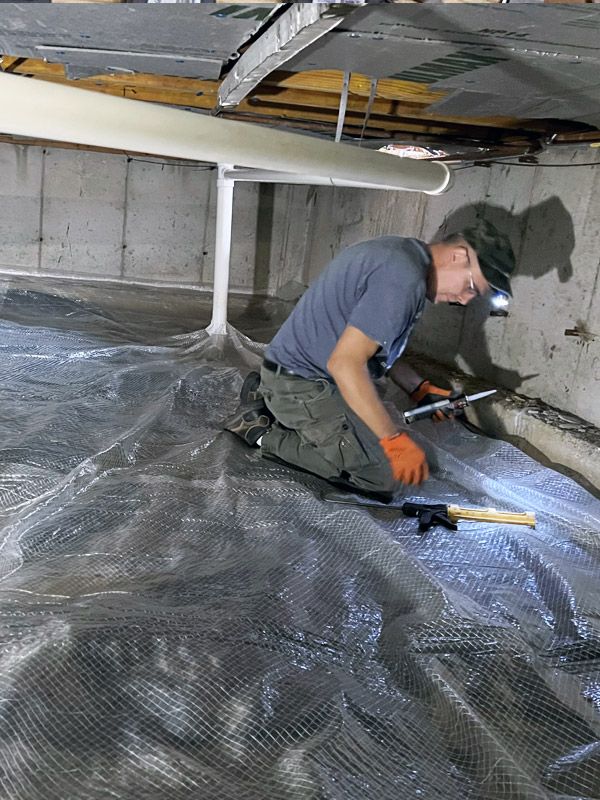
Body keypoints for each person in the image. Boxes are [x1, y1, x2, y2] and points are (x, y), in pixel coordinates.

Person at [224, 219, 515, 500]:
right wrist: (392, 441)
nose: (464, 300)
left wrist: (419, 388)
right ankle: (261, 431)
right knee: (383, 475)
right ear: (458, 255)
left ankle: (266, 395)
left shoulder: (402, 256)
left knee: (379, 430)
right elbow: (346, 364)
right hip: (304, 385)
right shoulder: (402, 278)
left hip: (297, 372)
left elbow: (371, 345)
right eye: (471, 287)